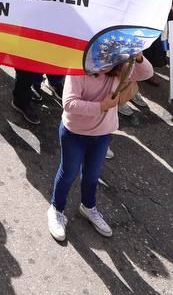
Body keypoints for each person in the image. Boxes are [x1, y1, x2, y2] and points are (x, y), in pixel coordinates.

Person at [47, 53, 154, 242]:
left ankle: (88, 206)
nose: (104, 64)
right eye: (99, 59)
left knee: (92, 175)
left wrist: (138, 58)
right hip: (74, 134)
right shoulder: (77, 69)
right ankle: (56, 209)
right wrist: (101, 106)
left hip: (102, 134)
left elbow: (146, 73)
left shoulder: (120, 69)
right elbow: (69, 103)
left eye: (110, 60)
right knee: (69, 173)